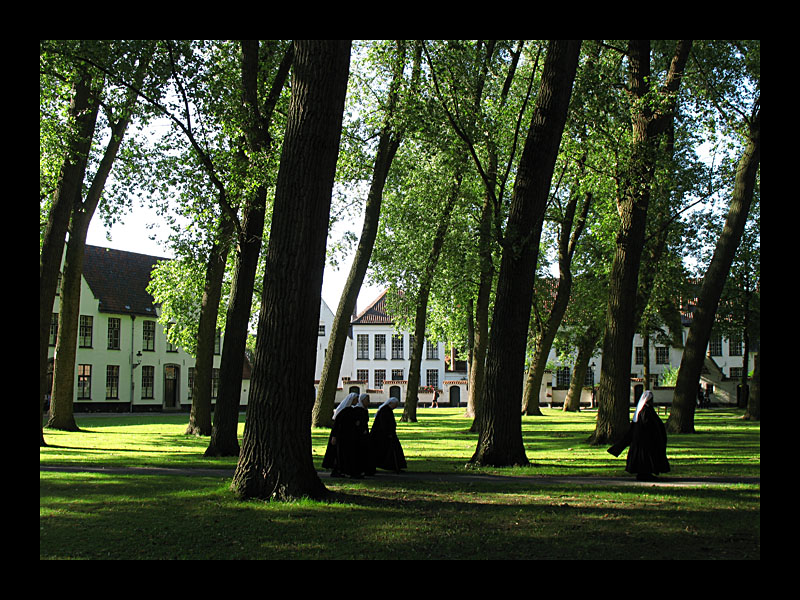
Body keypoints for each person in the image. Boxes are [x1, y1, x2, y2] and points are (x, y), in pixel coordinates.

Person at [607, 390, 670, 481]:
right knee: (645, 458)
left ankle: (644, 473)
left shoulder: (643, 410)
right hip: (645, 440)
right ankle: (644, 473)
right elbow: (648, 425)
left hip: (643, 439)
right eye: (651, 399)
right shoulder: (645, 411)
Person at [323, 393, 370, 478]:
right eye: (356, 399)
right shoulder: (343, 411)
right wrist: (334, 436)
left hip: (349, 436)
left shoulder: (351, 410)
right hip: (342, 436)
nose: (357, 401)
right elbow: (337, 425)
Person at [369, 397, 407, 473]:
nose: (396, 406)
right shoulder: (385, 411)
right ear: (391, 403)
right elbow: (384, 424)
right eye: (395, 405)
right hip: (383, 435)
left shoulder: (386, 410)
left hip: (387, 434)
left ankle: (393, 466)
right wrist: (389, 433)